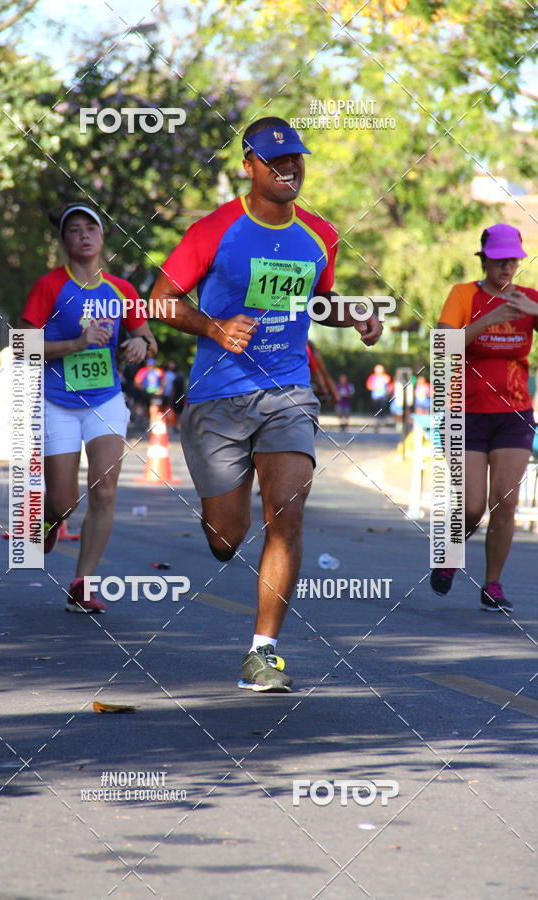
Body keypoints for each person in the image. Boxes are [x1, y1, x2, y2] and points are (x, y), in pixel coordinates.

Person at [150, 116, 382, 691]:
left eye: (295, 160)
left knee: (288, 512)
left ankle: (263, 652)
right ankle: (226, 526)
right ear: (248, 167)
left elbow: (317, 300)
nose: (288, 170)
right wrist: (213, 327)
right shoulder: (214, 229)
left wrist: (352, 314)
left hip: (287, 391)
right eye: (273, 162)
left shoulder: (320, 233)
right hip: (217, 396)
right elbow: (160, 302)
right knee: (226, 538)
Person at [20, 202, 157, 613]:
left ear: (101, 238)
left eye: (90, 228)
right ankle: (47, 518)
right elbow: (23, 345)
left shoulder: (123, 291)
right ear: (64, 241)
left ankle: (83, 584)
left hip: (105, 401)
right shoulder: (49, 287)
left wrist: (139, 345)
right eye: (74, 230)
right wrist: (75, 345)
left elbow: (149, 341)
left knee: (106, 488)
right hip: (57, 403)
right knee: (66, 502)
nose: (83, 235)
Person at [431, 223, 538, 611]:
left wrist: (536, 310)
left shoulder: (528, 300)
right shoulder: (463, 295)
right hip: (465, 415)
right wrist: (486, 322)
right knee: (473, 506)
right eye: (499, 261)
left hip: (513, 415)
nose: (507, 269)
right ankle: (449, 555)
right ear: (484, 259)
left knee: (505, 502)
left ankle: (493, 584)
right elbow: (442, 348)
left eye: (513, 261)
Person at [366, 364, 392, 428]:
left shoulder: (386, 377)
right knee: (377, 408)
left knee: (382, 407)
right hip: (375, 396)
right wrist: (374, 387)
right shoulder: (372, 377)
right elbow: (368, 386)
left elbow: (390, 385)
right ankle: (378, 419)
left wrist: (388, 391)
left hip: (383, 395)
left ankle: (382, 419)